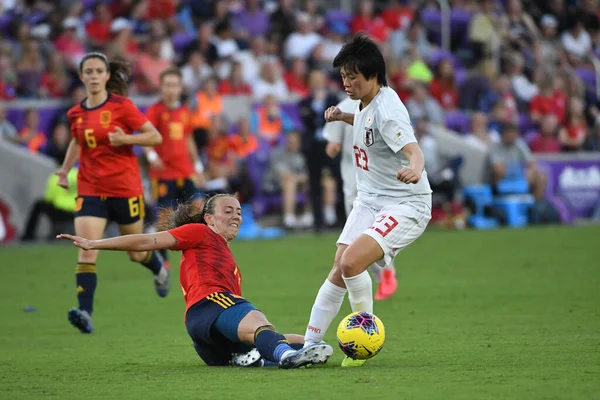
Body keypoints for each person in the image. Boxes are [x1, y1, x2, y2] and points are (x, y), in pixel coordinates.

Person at [58, 194, 334, 368]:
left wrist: (313, 345)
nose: (236, 214)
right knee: (258, 321)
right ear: (210, 219)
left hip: (206, 337)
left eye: (239, 210)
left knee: (271, 336)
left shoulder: (226, 257)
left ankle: (291, 353)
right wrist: (95, 243)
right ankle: (284, 358)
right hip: (210, 306)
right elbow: (147, 240)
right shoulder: (200, 233)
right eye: (228, 210)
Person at [303, 34, 432, 367]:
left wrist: (415, 171)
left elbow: (414, 152)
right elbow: (365, 123)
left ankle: (364, 340)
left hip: (406, 205)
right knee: (337, 269)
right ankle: (310, 345)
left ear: (373, 76)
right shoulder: (366, 102)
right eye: (343, 76)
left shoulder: (389, 112)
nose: (346, 83)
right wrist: (342, 117)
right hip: (370, 199)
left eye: (352, 77)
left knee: (350, 264)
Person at [56, 52, 170, 334]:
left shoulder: (122, 106)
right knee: (86, 248)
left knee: (134, 252)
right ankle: (85, 312)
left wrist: (126, 138)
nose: (93, 76)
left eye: (98, 71)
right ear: (81, 76)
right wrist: (63, 170)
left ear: (107, 76)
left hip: (124, 188)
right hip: (91, 188)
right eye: (88, 71)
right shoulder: (75, 113)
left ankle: (158, 267)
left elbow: (154, 136)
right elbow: (77, 141)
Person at [323, 97, 398, 300]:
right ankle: (385, 274)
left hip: (359, 185)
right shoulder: (385, 105)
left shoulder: (344, 107)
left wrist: (332, 148)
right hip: (374, 184)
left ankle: (382, 276)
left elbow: (332, 147)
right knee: (372, 234)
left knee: (361, 237)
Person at [144, 67, 205, 262]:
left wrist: (198, 165)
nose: (171, 89)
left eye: (174, 85)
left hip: (185, 170)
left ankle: (198, 253)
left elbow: (188, 139)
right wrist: (152, 156)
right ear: (161, 87)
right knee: (165, 216)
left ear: (180, 88)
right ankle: (163, 258)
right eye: (167, 85)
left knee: (197, 208)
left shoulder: (185, 112)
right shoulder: (154, 111)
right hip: (163, 173)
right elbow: (146, 137)